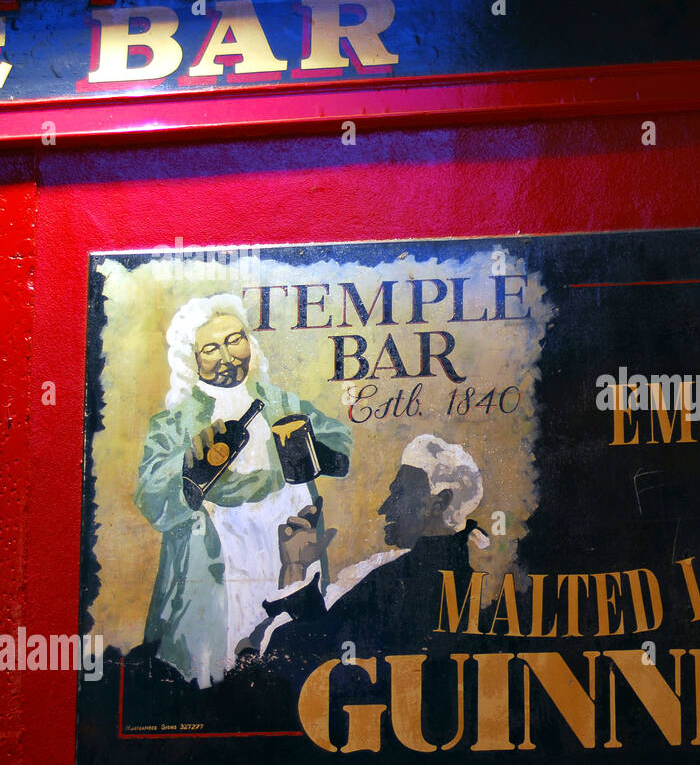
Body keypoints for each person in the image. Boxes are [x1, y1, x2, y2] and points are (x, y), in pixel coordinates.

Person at [134, 293, 352, 687]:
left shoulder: (280, 401)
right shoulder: (174, 422)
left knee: (292, 660)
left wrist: (312, 450)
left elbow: (340, 445)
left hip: (290, 544)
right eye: (211, 348)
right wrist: (190, 471)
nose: (227, 356)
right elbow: (151, 497)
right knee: (226, 669)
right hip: (221, 559)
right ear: (191, 359)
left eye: (235, 340)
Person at [261, 434, 490, 669]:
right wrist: (298, 567)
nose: (384, 508)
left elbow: (310, 653)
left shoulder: (400, 582)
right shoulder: (443, 575)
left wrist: (294, 567)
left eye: (399, 493)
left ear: (439, 502)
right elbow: (332, 634)